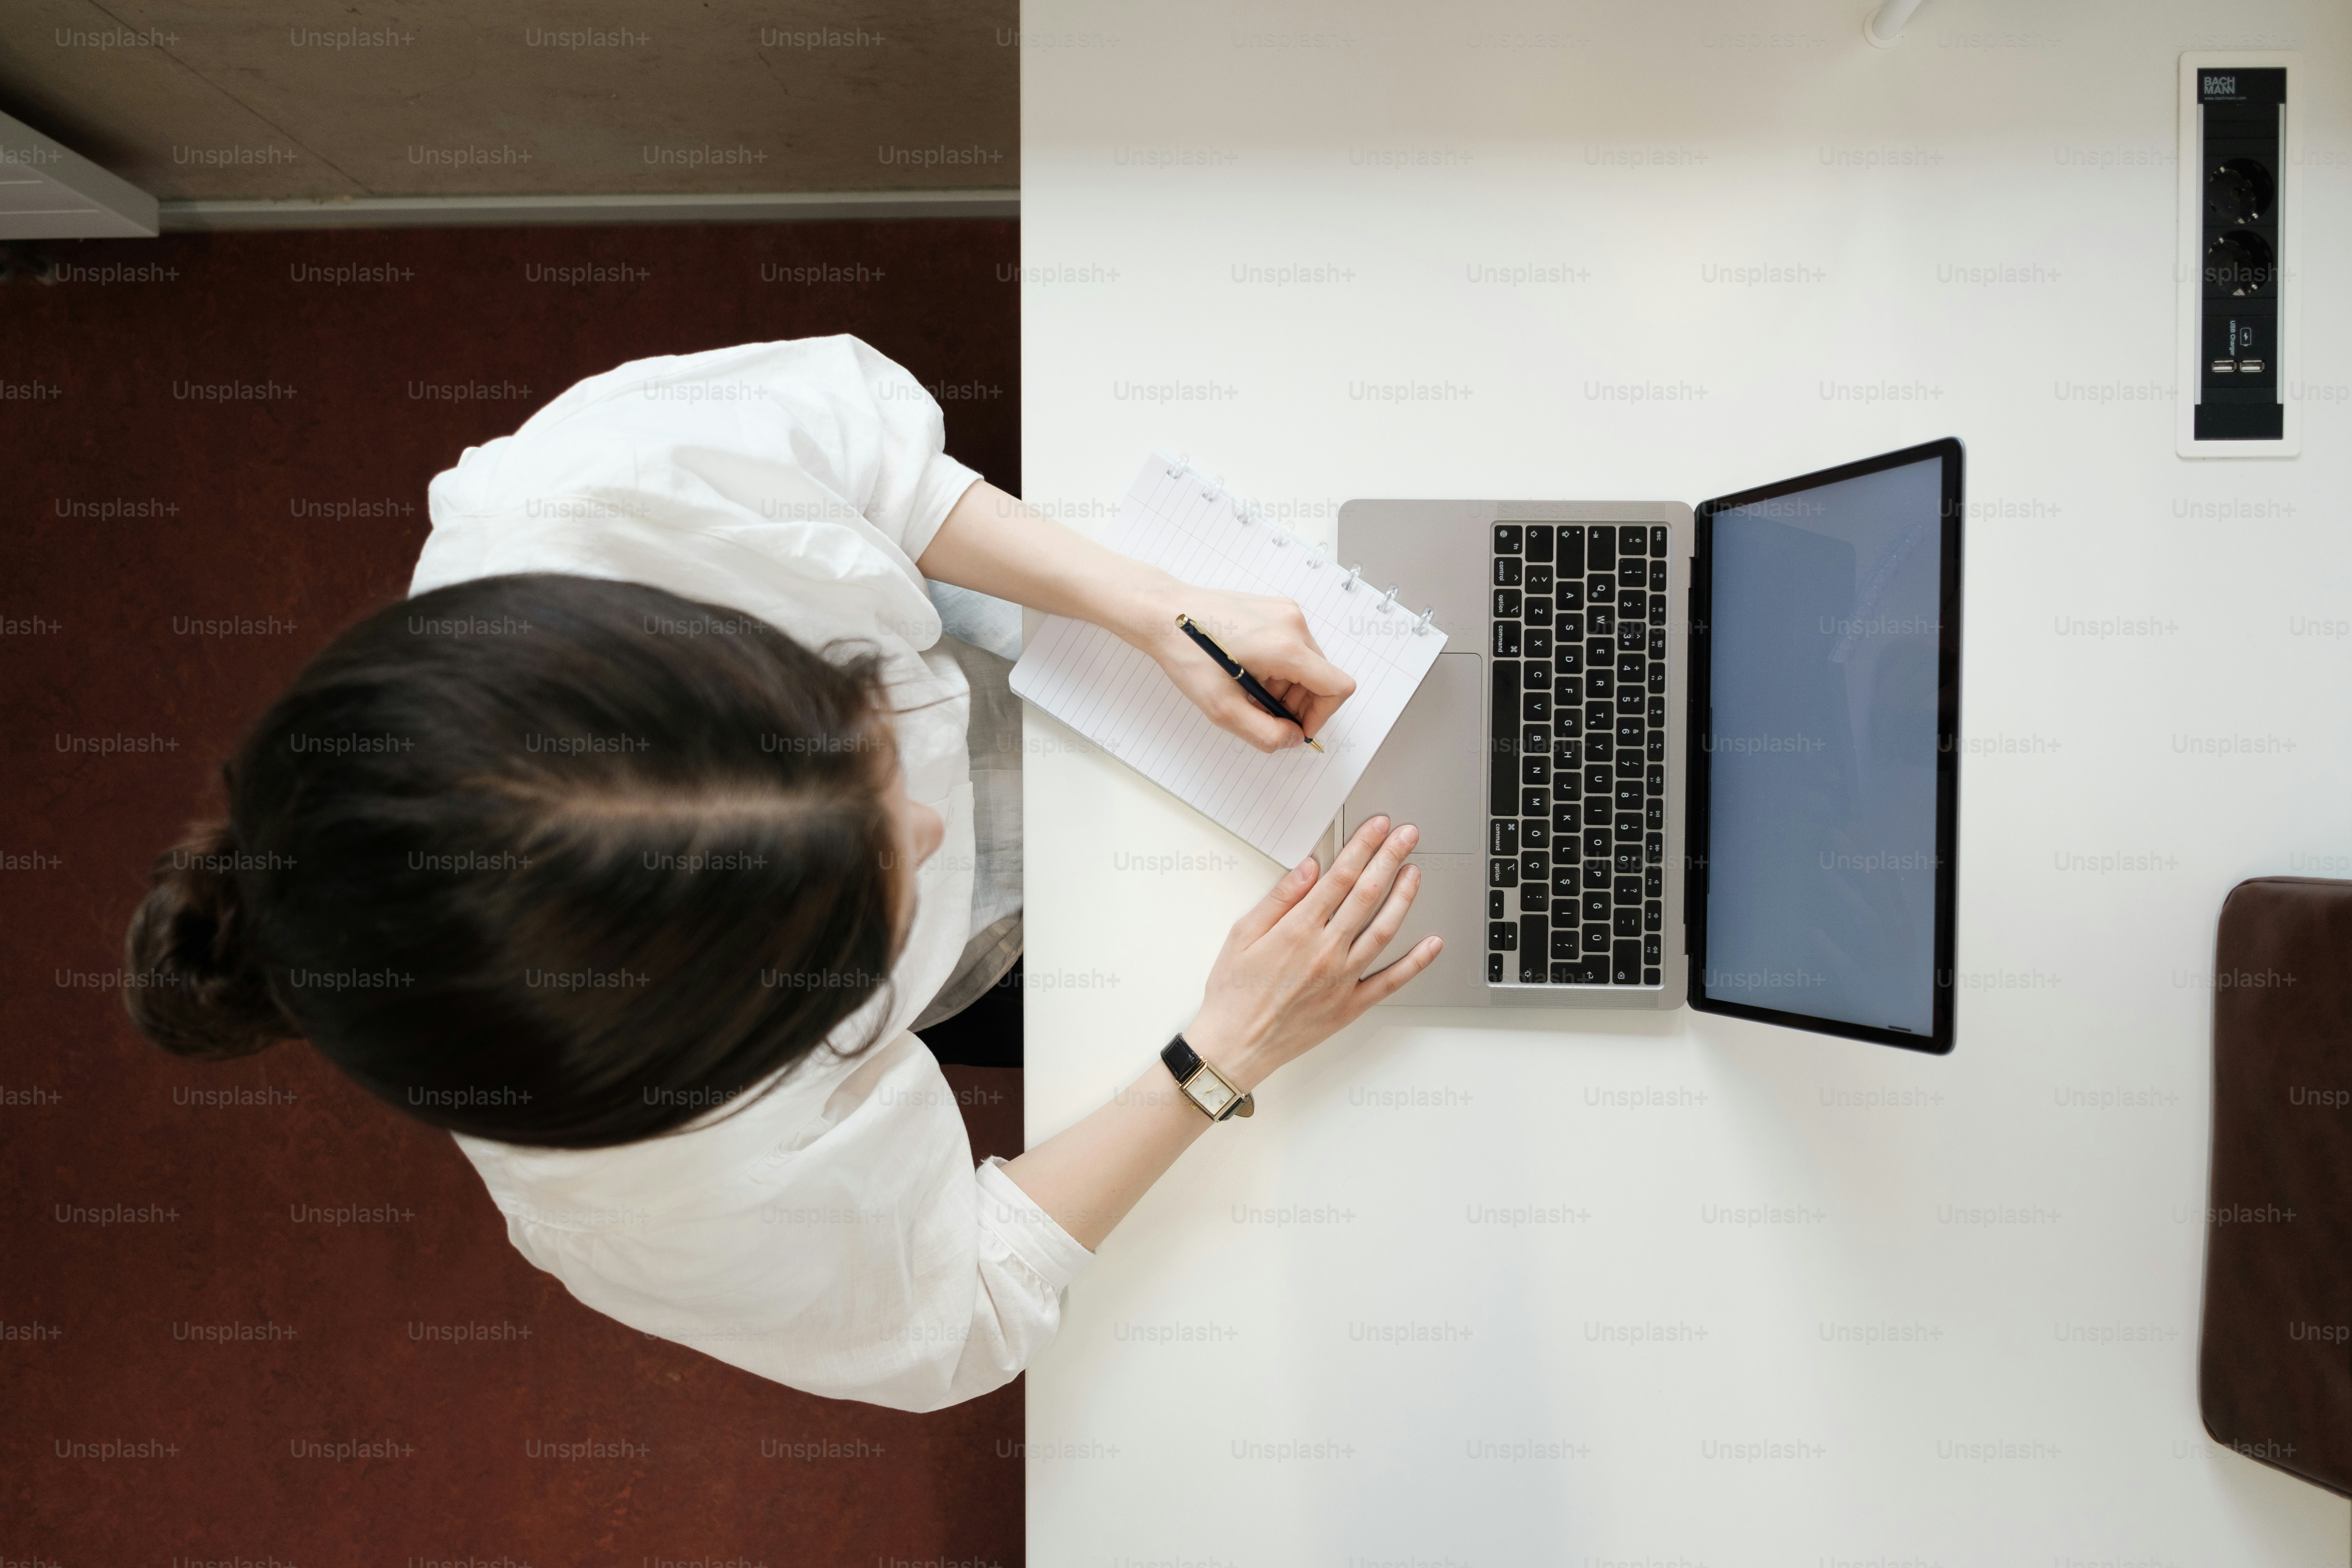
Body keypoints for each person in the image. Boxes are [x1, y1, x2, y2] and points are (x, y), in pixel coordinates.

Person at [123, 336, 1440, 1411]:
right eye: (859, 913)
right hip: (1023, 969)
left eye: (845, 711)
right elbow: (960, 1305)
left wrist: (1152, 608)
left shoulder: (575, 499)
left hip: (1033, 666)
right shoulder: (641, 1194)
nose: (923, 828)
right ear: (724, 1049)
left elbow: (870, 468)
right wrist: (1219, 1052)